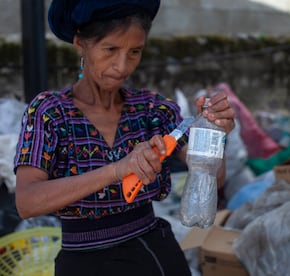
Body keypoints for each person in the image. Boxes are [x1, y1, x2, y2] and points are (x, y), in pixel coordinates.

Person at [13, 1, 235, 275]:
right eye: (110, 50)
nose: (122, 66)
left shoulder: (152, 110)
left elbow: (214, 178)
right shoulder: (50, 113)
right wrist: (118, 169)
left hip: (153, 255)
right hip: (84, 263)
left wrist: (214, 135)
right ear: (80, 43)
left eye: (134, 52)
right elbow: (27, 202)